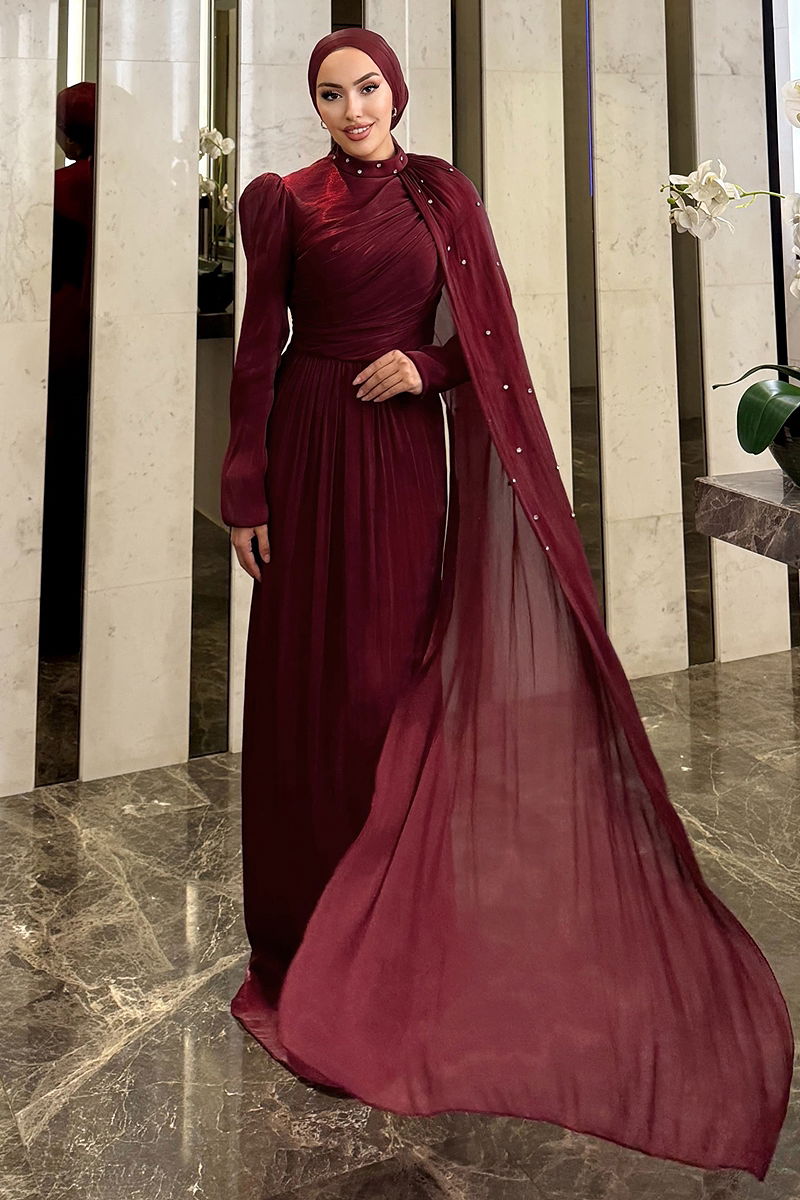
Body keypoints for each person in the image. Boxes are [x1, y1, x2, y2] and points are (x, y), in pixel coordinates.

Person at [221, 27, 794, 1181]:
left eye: (366, 87)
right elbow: (256, 347)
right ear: (315, 105)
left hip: (398, 461)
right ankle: (300, 943)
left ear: (395, 91)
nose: (352, 108)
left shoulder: (441, 196)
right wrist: (244, 488)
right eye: (330, 93)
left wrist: (423, 369)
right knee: (306, 698)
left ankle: (391, 939)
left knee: (383, 687)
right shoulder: (281, 200)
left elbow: (482, 338)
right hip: (308, 447)